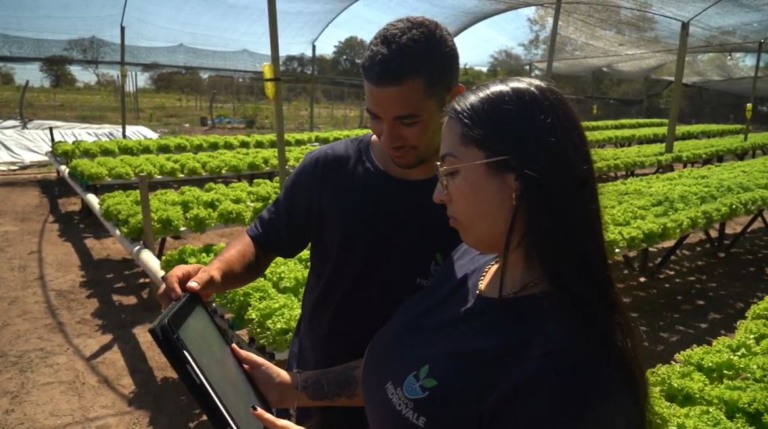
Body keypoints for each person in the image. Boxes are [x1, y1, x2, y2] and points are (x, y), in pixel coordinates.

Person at [232, 77, 649, 428]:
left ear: (516, 180)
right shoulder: (473, 263)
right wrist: (291, 388)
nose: (437, 194)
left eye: (450, 172)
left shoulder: (570, 370)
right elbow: (405, 376)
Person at [159, 16, 464, 429]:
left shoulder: (472, 198)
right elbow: (263, 240)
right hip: (309, 389)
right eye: (375, 116)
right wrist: (212, 275)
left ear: (453, 99)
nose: (388, 136)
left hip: (411, 407)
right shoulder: (330, 170)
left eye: (408, 121)